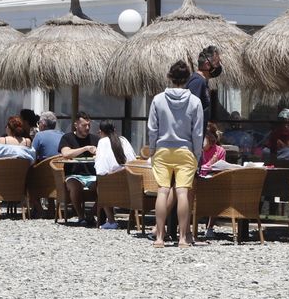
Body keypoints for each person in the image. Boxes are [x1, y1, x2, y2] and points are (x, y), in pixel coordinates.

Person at [148, 60, 204, 248]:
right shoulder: (195, 102)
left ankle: (159, 238)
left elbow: (152, 129)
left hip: (163, 150)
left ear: (169, 77)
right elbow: (197, 132)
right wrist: (197, 154)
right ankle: (182, 238)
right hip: (185, 150)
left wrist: (153, 149)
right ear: (187, 79)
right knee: (182, 193)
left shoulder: (158, 99)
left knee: (163, 191)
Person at [93, 121, 136, 229]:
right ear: (114, 130)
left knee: (100, 186)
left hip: (111, 184)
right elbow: (132, 161)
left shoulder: (102, 142)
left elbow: (101, 170)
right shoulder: (123, 140)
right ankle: (134, 220)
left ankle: (111, 220)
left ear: (101, 132)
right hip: (129, 182)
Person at [60, 112, 99, 224]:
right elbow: (66, 153)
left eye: (88, 125)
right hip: (73, 175)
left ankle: (91, 214)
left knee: (104, 187)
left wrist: (98, 154)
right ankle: (81, 216)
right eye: (84, 125)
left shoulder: (95, 139)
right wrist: (85, 148)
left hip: (92, 175)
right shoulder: (67, 137)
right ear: (76, 125)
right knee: (75, 186)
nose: (87, 128)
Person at [186, 45, 222, 119]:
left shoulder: (202, 81)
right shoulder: (197, 82)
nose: (219, 66)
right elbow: (191, 111)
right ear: (207, 65)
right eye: (217, 63)